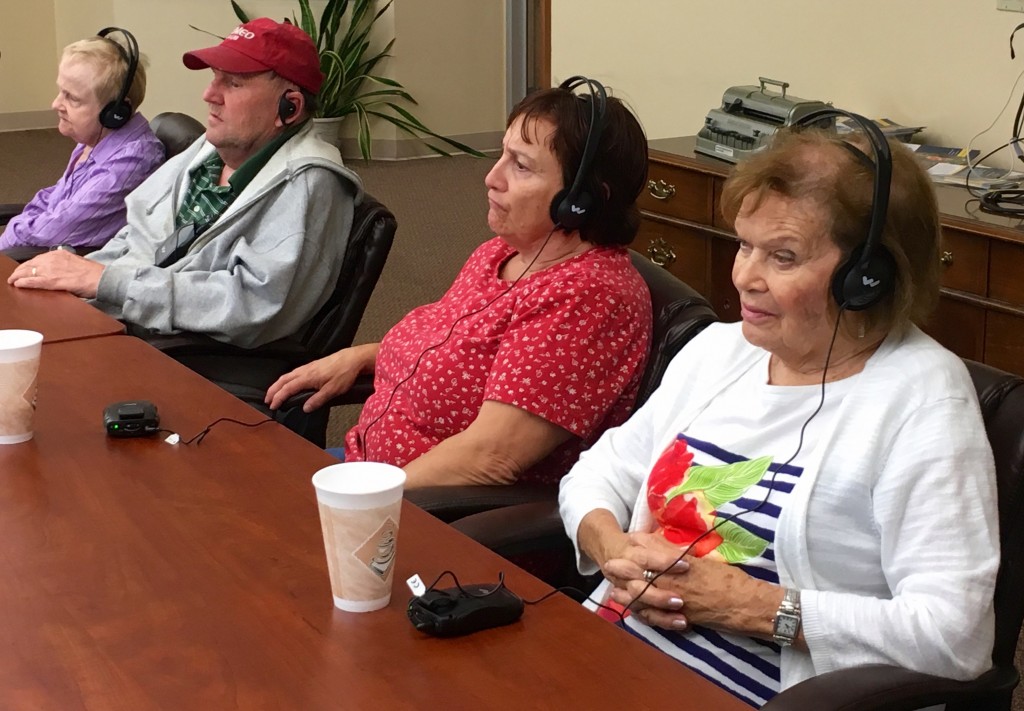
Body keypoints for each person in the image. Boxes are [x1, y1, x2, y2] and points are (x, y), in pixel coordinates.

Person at [558, 125, 999, 707]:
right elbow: (598, 473)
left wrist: (761, 609)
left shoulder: (924, 403)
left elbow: (955, 637)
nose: (744, 276)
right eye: (745, 245)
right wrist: (613, 549)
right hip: (613, 654)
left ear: (867, 278)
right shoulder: (722, 351)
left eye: (782, 256)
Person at [266, 79, 653, 489]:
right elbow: (456, 351)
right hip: (369, 472)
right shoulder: (500, 254)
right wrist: (364, 356)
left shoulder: (589, 299)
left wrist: (360, 501)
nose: (491, 177)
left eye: (520, 166)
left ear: (582, 201)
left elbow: (490, 457)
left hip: (432, 520)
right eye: (501, 155)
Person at [8, 18, 363, 350]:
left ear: (290, 107)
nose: (210, 94)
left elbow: (253, 304)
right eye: (214, 78)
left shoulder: (309, 185)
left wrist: (106, 282)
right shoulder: (211, 148)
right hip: (116, 313)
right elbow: (138, 232)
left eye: (233, 83)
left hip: (172, 350)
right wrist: (74, 273)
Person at [0, 30, 164, 254]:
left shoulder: (128, 164)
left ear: (115, 112)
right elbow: (55, 196)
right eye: (61, 91)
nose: (55, 104)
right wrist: (21, 222)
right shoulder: (95, 139)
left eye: (72, 98)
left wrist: (10, 235)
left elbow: (56, 229)